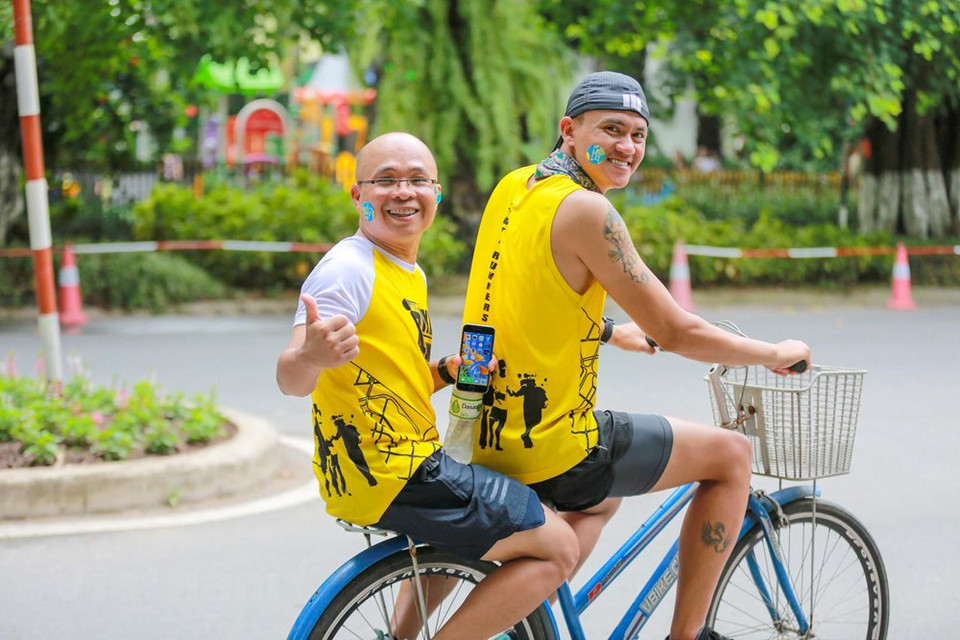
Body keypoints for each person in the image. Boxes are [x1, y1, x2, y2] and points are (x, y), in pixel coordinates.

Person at [460, 72, 811, 640]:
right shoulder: (587, 211)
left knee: (601, 506)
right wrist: (774, 351)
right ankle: (686, 635)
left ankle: (532, 606)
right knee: (730, 456)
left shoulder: (516, 188)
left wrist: (605, 330)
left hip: (487, 425)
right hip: (552, 444)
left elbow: (523, 294)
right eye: (612, 130)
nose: (627, 147)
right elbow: (675, 331)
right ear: (569, 131)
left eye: (638, 136)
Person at [276, 132, 578, 640]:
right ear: (358, 195)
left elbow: (384, 377)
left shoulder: (401, 269)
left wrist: (444, 372)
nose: (403, 192)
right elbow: (291, 376)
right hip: (400, 474)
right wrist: (309, 356)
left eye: (418, 180)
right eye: (386, 180)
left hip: (377, 473)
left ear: (436, 194)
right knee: (560, 548)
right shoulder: (347, 270)